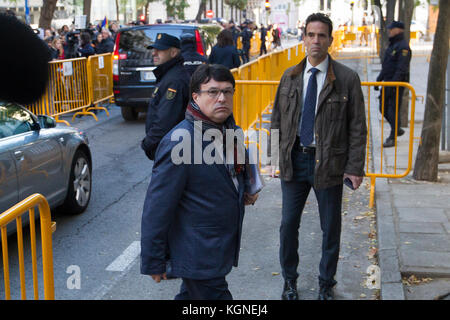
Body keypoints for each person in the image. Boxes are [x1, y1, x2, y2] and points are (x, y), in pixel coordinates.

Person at [140, 64, 260, 300]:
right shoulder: (179, 141)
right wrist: (154, 260)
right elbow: (157, 206)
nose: (221, 98)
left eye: (227, 92)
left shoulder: (228, 130)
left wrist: (247, 187)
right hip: (199, 250)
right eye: (213, 92)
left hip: (218, 244)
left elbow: (234, 171)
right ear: (195, 97)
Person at [270, 13, 367, 300]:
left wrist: (354, 167)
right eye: (310, 35)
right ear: (303, 39)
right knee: (288, 225)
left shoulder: (347, 79)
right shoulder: (289, 76)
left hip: (329, 164)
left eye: (321, 35)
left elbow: (358, 127)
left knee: (330, 228)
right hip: (294, 161)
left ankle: (326, 283)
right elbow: (276, 120)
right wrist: (275, 159)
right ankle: (289, 280)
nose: (315, 40)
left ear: (330, 40)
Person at [141, 33, 190, 161]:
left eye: (160, 50)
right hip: (169, 147)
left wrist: (148, 143)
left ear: (173, 52)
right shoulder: (169, 75)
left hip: (172, 149)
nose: (154, 53)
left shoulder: (174, 80)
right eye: (154, 50)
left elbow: (165, 119)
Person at [375, 20, 411, 148]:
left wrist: (393, 84)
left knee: (393, 109)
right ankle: (397, 128)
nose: (389, 31)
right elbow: (387, 66)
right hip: (388, 82)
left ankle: (392, 136)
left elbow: (401, 69)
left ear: (399, 30)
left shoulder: (403, 47)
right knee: (382, 107)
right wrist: (379, 79)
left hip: (396, 84)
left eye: (392, 29)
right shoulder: (393, 45)